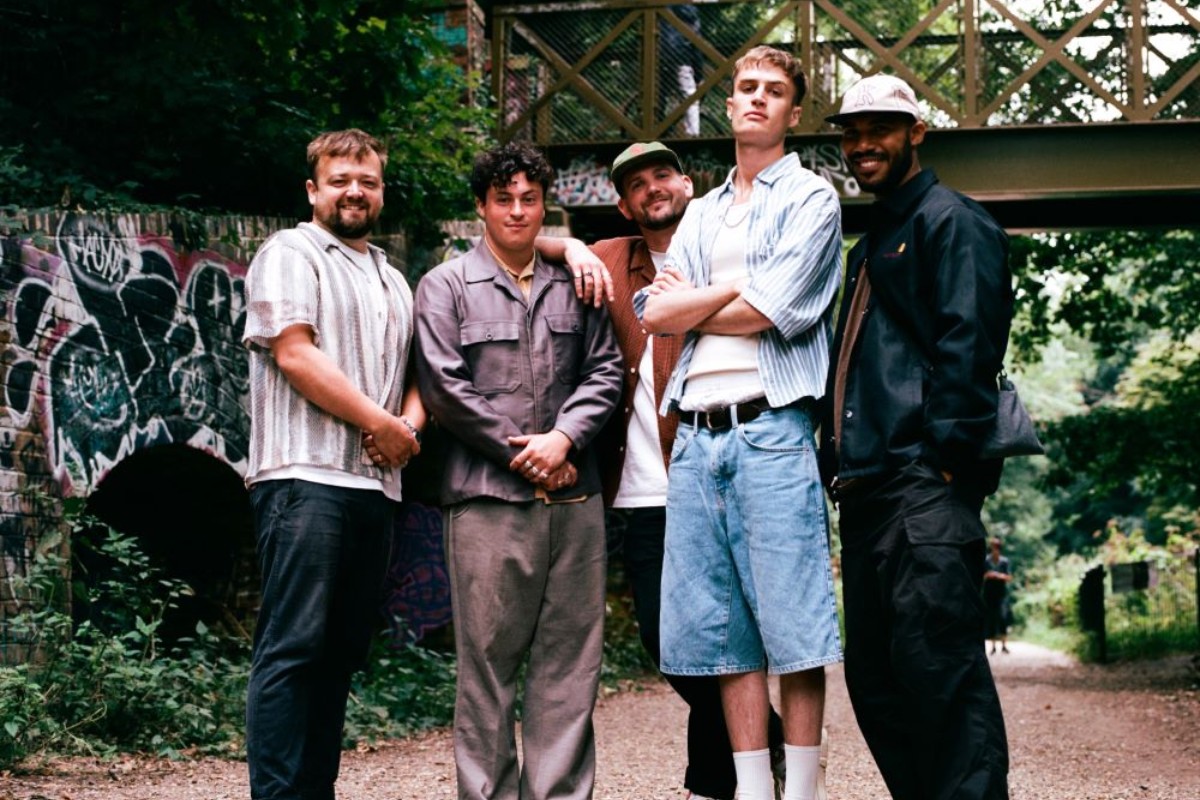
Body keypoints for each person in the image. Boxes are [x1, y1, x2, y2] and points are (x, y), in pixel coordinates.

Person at [540, 140, 786, 800]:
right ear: (623, 204)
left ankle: (720, 779)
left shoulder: (722, 244)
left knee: (728, 630)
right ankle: (763, 732)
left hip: (720, 472)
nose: (652, 188)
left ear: (687, 182)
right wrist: (569, 247)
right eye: (636, 184)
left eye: (662, 175)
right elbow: (526, 234)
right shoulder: (612, 259)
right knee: (665, 640)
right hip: (643, 491)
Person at [634, 45, 844, 800]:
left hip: (772, 431)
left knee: (793, 628)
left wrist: (708, 299)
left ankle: (805, 791)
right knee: (725, 634)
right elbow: (657, 314)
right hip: (695, 435)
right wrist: (733, 289)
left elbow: (774, 311)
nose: (756, 99)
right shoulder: (698, 212)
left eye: (774, 91)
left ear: (793, 110)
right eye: (746, 88)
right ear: (729, 106)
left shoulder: (814, 200)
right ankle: (755, 790)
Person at [819, 73, 1012, 799]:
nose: (862, 142)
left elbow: (970, 352)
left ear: (916, 132)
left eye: (879, 128)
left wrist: (943, 466)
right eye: (851, 130)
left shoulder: (951, 222)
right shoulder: (875, 238)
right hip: (868, 495)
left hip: (919, 490)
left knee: (942, 678)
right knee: (880, 685)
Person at [413, 141, 622, 800]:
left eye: (530, 198)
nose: (517, 210)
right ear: (481, 207)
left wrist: (563, 440)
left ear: (544, 205)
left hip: (574, 504)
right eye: (503, 198)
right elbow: (445, 389)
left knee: (569, 669)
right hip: (486, 505)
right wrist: (524, 454)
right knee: (487, 671)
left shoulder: (576, 282)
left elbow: (606, 368)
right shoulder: (445, 286)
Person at [242, 128, 424, 800]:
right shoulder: (289, 252)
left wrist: (403, 428)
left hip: (375, 489)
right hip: (303, 479)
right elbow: (295, 353)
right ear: (313, 189)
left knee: (340, 657)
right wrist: (380, 424)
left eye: (367, 181)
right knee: (292, 651)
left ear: (381, 191)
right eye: (340, 179)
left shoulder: (393, 278)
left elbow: (414, 376)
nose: (355, 191)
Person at [658, 4, 704, 136]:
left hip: (659, 57)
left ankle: (657, 132)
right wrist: (699, 75)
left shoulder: (662, 8)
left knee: (657, 97)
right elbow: (697, 45)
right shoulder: (692, 16)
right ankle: (693, 135)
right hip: (682, 58)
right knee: (690, 97)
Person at [984, 537, 1014, 654]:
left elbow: (1009, 577)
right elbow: (983, 576)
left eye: (996, 548)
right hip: (989, 594)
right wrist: (990, 575)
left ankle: (1004, 645)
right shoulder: (986, 561)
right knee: (991, 619)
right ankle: (993, 646)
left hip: (1001, 594)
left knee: (1002, 618)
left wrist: (999, 575)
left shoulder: (1004, 562)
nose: (994, 550)